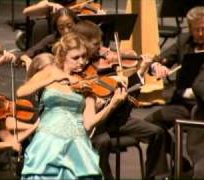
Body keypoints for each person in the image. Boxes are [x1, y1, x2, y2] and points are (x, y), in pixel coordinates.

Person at [17, 32, 127, 179]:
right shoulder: (50, 71)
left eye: (84, 57)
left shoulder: (87, 82)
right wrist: (49, 80)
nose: (81, 62)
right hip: (47, 141)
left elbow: (89, 123)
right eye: (75, 58)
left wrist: (112, 105)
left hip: (76, 144)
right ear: (63, 56)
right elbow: (21, 92)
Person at [71, 20, 170, 179]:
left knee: (156, 132)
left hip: (117, 117)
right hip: (96, 121)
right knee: (101, 142)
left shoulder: (108, 58)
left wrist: (147, 67)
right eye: (96, 44)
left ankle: (154, 176)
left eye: (101, 43)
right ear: (82, 43)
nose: (102, 49)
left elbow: (129, 76)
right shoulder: (76, 63)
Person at [144, 6, 204, 175]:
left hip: (203, 108)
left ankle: (197, 170)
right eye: (197, 29)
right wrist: (156, 67)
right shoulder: (183, 41)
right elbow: (157, 61)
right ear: (190, 28)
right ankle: (172, 168)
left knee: (197, 138)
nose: (201, 33)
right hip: (183, 104)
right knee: (151, 125)